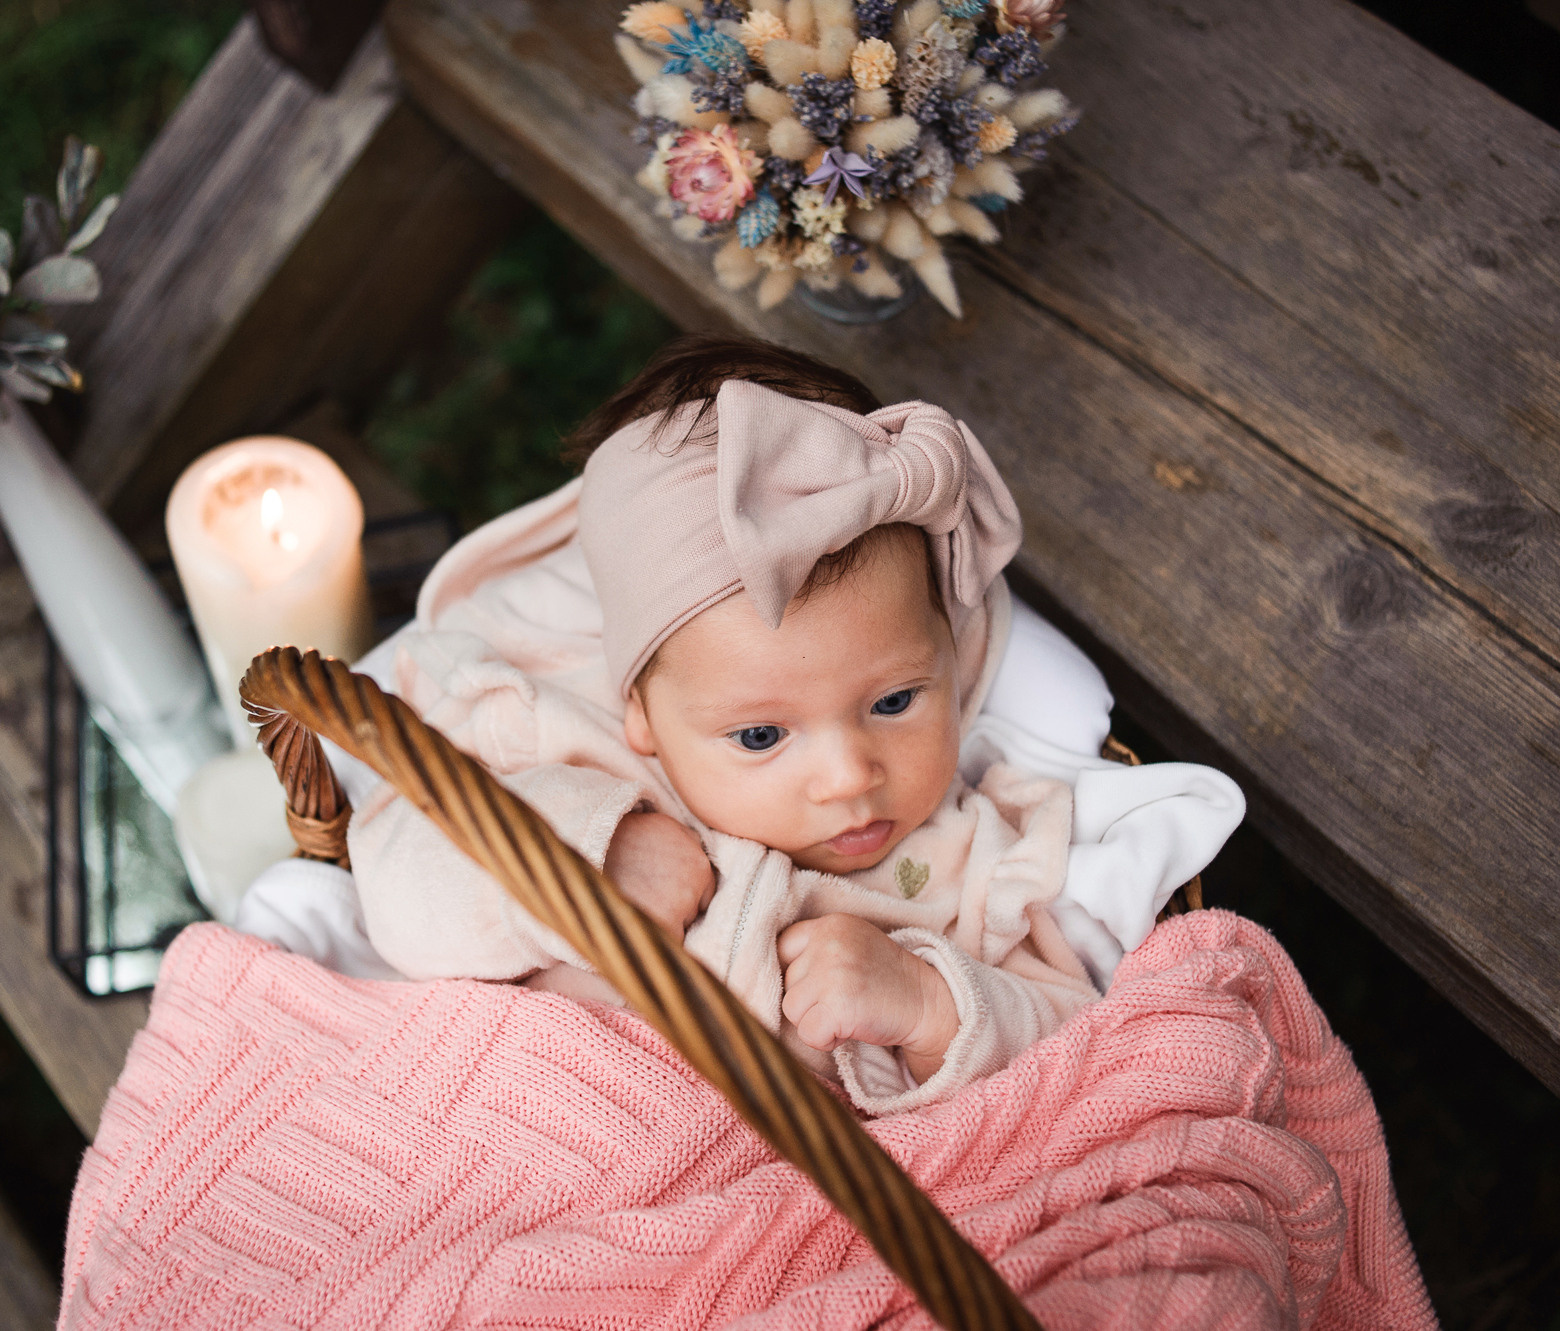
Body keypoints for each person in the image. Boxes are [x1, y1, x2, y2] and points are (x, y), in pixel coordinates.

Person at [241, 337, 1245, 1114]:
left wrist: (928, 1002)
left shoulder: (969, 850)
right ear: (643, 712)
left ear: (949, 658)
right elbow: (396, 876)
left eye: (894, 701)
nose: (851, 776)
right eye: (760, 736)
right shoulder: (553, 737)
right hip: (536, 1115)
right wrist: (582, 845)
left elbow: (1072, 1053)